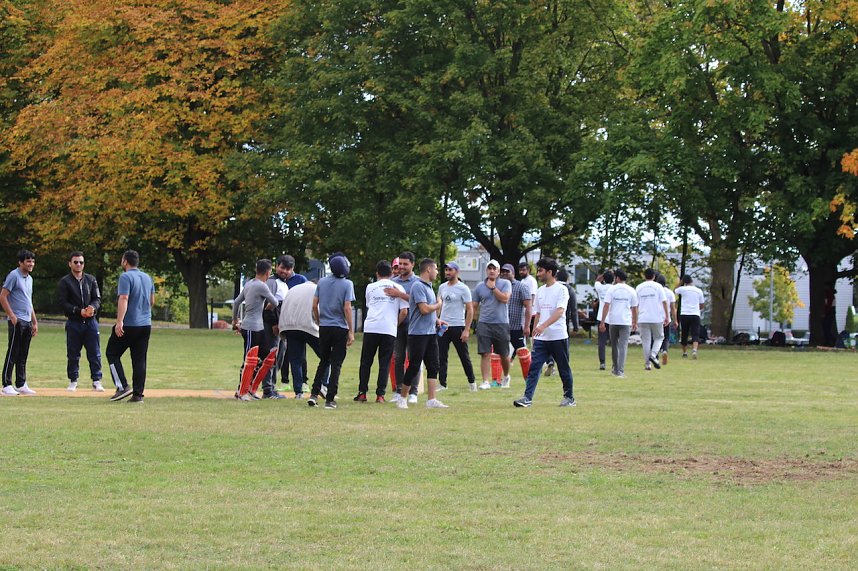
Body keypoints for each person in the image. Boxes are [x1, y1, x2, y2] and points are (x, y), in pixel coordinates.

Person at [513, 257, 576, 408]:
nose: (538, 274)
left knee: (563, 368)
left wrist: (543, 326)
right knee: (534, 368)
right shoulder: (540, 291)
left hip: (558, 336)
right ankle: (527, 398)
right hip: (542, 339)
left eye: (541, 271)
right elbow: (538, 313)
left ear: (550, 272)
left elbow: (560, 312)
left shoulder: (562, 290)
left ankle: (569, 398)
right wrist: (535, 331)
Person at [392, 258, 447, 409]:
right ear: (428, 269)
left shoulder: (429, 287)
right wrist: (438, 304)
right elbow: (423, 309)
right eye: (435, 269)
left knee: (434, 365)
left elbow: (428, 311)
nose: (436, 272)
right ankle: (402, 398)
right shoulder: (418, 286)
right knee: (414, 366)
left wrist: (437, 320)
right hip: (418, 334)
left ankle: (431, 400)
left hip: (430, 332)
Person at [106, 250, 155, 403]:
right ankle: (138, 395)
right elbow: (152, 301)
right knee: (139, 360)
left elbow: (124, 298)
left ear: (125, 261)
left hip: (129, 324)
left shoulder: (125, 277)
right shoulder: (147, 278)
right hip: (145, 324)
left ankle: (122, 386)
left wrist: (120, 321)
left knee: (112, 353)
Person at [355, 260, 407, 403]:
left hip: (371, 327)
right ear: (391, 272)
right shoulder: (398, 287)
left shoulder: (370, 287)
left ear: (377, 273)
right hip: (388, 329)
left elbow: (369, 304)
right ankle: (380, 395)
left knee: (366, 361)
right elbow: (404, 312)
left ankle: (362, 393)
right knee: (384, 363)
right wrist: (394, 324)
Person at [308, 253, 355, 409]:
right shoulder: (347, 284)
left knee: (324, 361)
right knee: (336, 364)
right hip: (340, 327)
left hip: (325, 327)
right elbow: (347, 308)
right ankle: (330, 399)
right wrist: (351, 330)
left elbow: (314, 305)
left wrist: (319, 320)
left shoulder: (322, 282)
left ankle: (314, 394)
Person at [231, 259, 280, 400]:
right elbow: (275, 302)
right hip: (251, 327)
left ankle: (251, 388)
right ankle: (241, 391)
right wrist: (268, 307)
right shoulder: (261, 286)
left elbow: (236, 302)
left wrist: (235, 320)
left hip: (257, 328)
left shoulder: (249, 284)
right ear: (268, 272)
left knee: (266, 358)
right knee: (249, 358)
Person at [57, 251, 104, 392]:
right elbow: (63, 303)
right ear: (70, 264)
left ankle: (97, 380)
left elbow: (97, 298)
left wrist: (92, 308)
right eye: (76, 262)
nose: (78, 265)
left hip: (90, 322)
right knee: (73, 353)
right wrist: (79, 311)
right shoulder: (65, 282)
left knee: (94, 352)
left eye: (81, 262)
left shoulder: (91, 279)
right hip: (74, 322)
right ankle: (73, 380)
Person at [1, 249, 38, 396]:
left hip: (27, 320)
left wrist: (34, 321)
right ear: (20, 262)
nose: (31, 264)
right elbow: (3, 296)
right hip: (17, 320)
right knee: (13, 352)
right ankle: (6, 384)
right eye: (28, 261)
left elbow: (29, 302)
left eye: (33, 261)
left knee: (23, 354)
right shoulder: (13, 276)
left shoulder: (29, 279)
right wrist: (12, 316)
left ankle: (21, 383)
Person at [278, 281, 324, 399]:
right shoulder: (317, 288)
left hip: (290, 326)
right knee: (326, 356)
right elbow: (317, 307)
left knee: (295, 360)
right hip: (308, 326)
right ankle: (323, 385)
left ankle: (298, 392)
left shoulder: (293, 289)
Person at [385, 252, 420, 402]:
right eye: (401, 264)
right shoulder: (392, 281)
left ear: (412, 264)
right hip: (398, 325)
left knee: (414, 359)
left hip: (415, 325)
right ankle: (398, 391)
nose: (402, 267)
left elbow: (419, 299)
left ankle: (413, 392)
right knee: (398, 358)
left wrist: (399, 294)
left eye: (406, 264)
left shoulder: (418, 282)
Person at [472, 259, 512, 389]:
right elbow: (474, 306)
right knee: (485, 353)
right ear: (486, 271)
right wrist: (470, 324)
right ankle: (485, 381)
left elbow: (505, 299)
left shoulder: (505, 283)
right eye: (490, 268)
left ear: (499, 271)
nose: (492, 271)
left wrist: (493, 288)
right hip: (484, 323)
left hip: (501, 323)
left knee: (504, 354)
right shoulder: (479, 286)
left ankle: (506, 376)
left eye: (494, 269)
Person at [437, 262, 477, 391]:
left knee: (464, 356)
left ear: (457, 272)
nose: (448, 272)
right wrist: (436, 320)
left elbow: (470, 310)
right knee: (441, 356)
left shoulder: (463, 288)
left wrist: (466, 329)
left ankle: (472, 383)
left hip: (458, 326)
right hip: (444, 326)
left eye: (450, 270)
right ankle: (442, 384)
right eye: (446, 270)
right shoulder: (442, 287)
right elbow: (439, 305)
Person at [272, 255, 308, 391]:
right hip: (281, 320)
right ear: (277, 266)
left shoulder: (300, 280)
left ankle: (304, 382)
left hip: (297, 321)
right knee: (283, 353)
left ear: (292, 269)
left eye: (288, 269)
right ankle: (284, 381)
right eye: (282, 268)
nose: (284, 271)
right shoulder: (274, 281)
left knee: (300, 353)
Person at [599, 269, 637, 378]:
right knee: (623, 346)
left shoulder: (612, 289)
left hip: (613, 320)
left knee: (614, 345)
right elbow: (634, 308)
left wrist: (602, 321)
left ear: (617, 278)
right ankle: (620, 370)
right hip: (626, 321)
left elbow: (606, 305)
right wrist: (635, 321)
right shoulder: (631, 290)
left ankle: (615, 368)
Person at [636, 268, 669, 371]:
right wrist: (667, 316)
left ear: (644, 276)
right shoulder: (658, 287)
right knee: (659, 337)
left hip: (643, 317)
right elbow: (664, 302)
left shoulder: (639, 287)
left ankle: (647, 364)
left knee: (646, 341)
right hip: (656, 317)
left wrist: (636, 318)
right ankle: (653, 355)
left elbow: (635, 305)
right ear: (654, 276)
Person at [500, 264, 532, 370]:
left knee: (522, 351)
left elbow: (528, 306)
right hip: (500, 326)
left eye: (507, 271)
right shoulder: (498, 286)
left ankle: (530, 373)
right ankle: (500, 377)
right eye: (503, 271)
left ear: (513, 273)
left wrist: (527, 326)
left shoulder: (520, 286)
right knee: (498, 353)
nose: (504, 273)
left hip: (515, 326)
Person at [675, 274, 705, 359]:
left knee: (684, 334)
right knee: (695, 333)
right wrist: (697, 308)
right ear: (692, 281)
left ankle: (684, 352)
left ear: (684, 282)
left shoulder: (682, 289)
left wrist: (680, 283)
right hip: (695, 314)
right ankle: (694, 350)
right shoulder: (698, 291)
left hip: (684, 314)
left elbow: (675, 290)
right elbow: (702, 305)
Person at [593, 270, 614, 370]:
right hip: (613, 318)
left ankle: (602, 362)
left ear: (604, 279)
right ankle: (615, 362)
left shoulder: (600, 288)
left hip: (601, 317)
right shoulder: (614, 289)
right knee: (615, 342)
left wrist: (603, 274)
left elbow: (597, 280)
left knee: (601, 342)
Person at [655, 274, 677, 365]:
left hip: (655, 318)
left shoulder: (655, 291)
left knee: (655, 337)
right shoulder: (670, 292)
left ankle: (654, 355)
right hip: (666, 318)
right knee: (666, 337)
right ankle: (665, 350)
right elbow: (672, 308)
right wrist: (675, 320)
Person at [518, 261, 538, 338]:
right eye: (520, 270)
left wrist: (529, 308)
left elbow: (533, 295)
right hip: (523, 311)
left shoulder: (531, 280)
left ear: (528, 270)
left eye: (523, 270)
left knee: (531, 334)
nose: (521, 272)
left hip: (531, 312)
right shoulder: (523, 281)